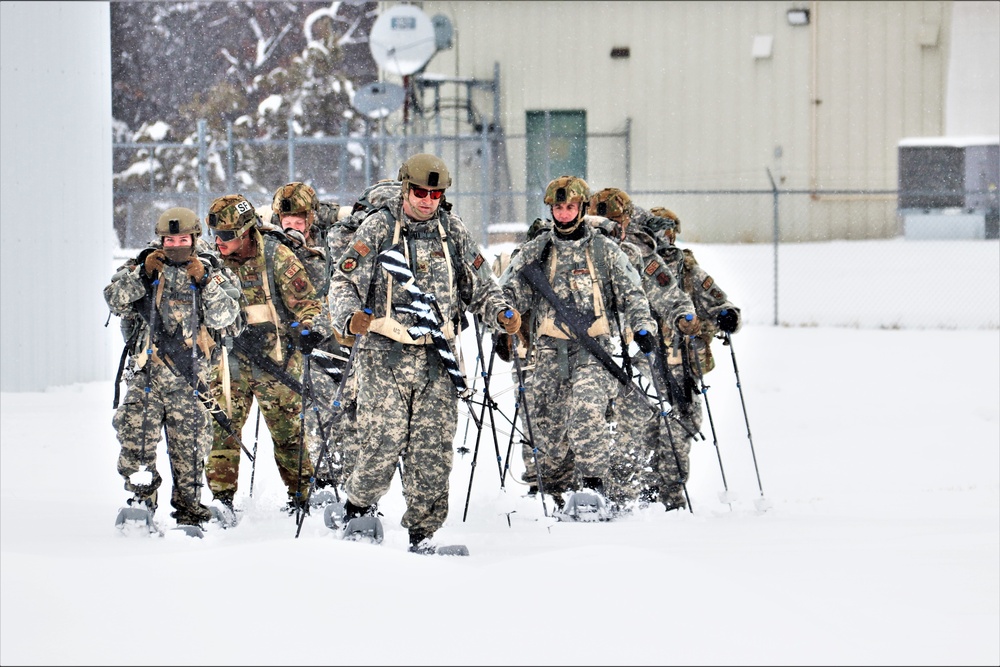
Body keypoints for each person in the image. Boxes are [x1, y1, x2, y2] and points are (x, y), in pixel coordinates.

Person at [326, 153, 520, 553]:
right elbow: (344, 281)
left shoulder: (454, 233)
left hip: (438, 357)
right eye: (419, 192)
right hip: (385, 354)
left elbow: (481, 286)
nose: (427, 200)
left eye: (436, 193)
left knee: (432, 451)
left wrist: (501, 313)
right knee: (383, 442)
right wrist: (349, 318)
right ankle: (358, 507)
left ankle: (423, 533)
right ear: (404, 188)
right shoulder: (378, 228)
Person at [498, 176, 657, 517]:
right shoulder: (537, 250)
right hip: (548, 353)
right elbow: (513, 290)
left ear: (583, 208)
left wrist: (643, 327)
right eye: (558, 207)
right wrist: (505, 313)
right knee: (548, 433)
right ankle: (557, 495)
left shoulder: (604, 251)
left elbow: (633, 295)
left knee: (586, 415)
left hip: (593, 353)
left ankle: (594, 489)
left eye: (571, 207)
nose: (564, 213)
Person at [105, 207, 242, 529]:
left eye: (182, 239)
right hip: (146, 375)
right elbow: (114, 300)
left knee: (191, 450)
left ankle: (191, 511)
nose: (175, 245)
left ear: (194, 238)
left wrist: (205, 282)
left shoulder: (212, 270)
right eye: (169, 239)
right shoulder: (144, 265)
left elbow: (228, 319)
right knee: (136, 442)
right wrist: (142, 277)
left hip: (191, 379)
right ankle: (141, 501)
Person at [203, 193, 324, 516]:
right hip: (229, 363)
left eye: (226, 236)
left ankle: (301, 497)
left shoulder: (277, 257)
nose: (219, 242)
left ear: (245, 232)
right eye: (214, 235)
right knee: (222, 430)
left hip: (276, 362)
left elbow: (309, 303)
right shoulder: (211, 259)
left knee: (288, 435)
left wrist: (308, 328)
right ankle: (222, 500)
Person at [588, 188, 701, 509]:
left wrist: (683, 315)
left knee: (631, 424)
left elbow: (667, 290)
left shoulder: (637, 254)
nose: (612, 228)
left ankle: (624, 499)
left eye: (618, 221)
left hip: (628, 357)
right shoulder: (577, 249)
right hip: (585, 354)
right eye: (604, 222)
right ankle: (576, 493)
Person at [644, 204, 743, 510]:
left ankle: (671, 496)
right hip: (643, 364)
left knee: (680, 426)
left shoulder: (690, 273)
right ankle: (642, 491)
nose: (664, 238)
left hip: (681, 367)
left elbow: (721, 304)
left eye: (667, 231)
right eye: (657, 230)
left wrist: (727, 317)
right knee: (643, 428)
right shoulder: (634, 266)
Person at [268, 181, 356, 498]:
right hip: (291, 344)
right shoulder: (272, 246)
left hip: (332, 340)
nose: (293, 226)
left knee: (345, 411)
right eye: (287, 221)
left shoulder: (333, 241)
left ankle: (349, 481)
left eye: (300, 220)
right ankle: (320, 480)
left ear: (312, 219)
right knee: (311, 410)